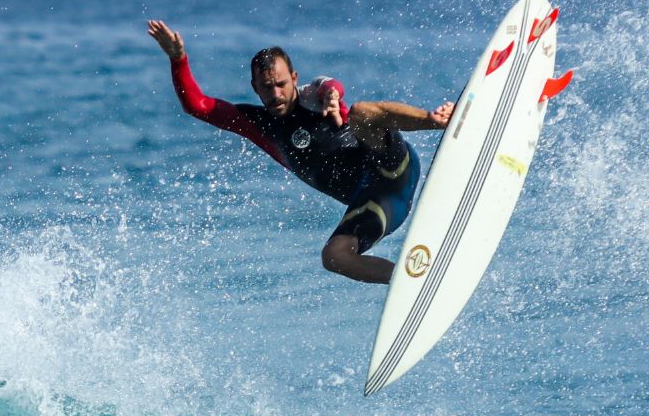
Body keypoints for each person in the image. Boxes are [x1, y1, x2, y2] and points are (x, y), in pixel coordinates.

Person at [147, 19, 453, 284]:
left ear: (294, 79)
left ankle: (438, 121)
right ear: (255, 87)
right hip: (377, 203)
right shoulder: (256, 123)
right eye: (267, 87)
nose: (276, 94)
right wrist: (178, 59)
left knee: (361, 112)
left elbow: (330, 85)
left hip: (393, 167)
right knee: (334, 257)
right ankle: (411, 281)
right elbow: (198, 106)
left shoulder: (314, 96)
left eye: (281, 84)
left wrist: (333, 97)